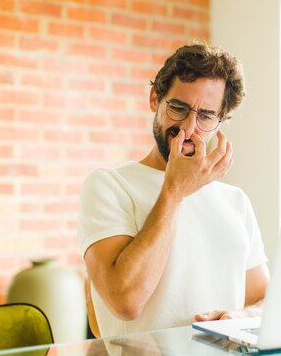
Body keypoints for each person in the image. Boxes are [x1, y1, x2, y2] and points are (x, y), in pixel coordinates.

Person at [77, 43, 270, 338]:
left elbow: (265, 300)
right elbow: (125, 301)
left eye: (205, 115)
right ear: (155, 99)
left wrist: (239, 316)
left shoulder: (235, 201)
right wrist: (175, 190)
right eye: (178, 108)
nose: (188, 127)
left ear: (220, 121)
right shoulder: (108, 186)